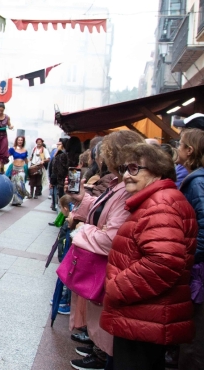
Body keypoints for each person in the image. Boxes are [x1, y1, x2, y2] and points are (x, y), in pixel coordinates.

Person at [101, 143, 197, 370]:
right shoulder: (157, 201)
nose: (126, 175)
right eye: (125, 168)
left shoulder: (160, 204)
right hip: (144, 315)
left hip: (144, 315)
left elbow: (164, 262)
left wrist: (116, 287)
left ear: (157, 170)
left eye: (134, 169)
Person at [66, 130, 144, 369]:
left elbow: (112, 237)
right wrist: (83, 199)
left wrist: (80, 232)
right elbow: (103, 212)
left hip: (110, 265)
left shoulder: (125, 189)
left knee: (107, 326)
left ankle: (102, 356)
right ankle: (101, 352)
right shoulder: (118, 184)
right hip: (105, 263)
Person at [176, 128, 204, 369]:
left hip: (198, 269)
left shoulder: (196, 181)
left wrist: (189, 258)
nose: (177, 148)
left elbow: (202, 225)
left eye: (180, 144)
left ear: (190, 150)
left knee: (195, 333)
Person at [7, 136, 28, 205]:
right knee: (14, 185)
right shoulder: (13, 149)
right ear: (16, 141)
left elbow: (26, 160)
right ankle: (15, 201)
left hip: (22, 169)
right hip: (14, 169)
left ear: (23, 141)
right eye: (19, 140)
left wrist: (28, 168)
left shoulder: (25, 150)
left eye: (21, 140)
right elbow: (6, 156)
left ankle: (21, 198)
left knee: (20, 184)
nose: (20, 141)